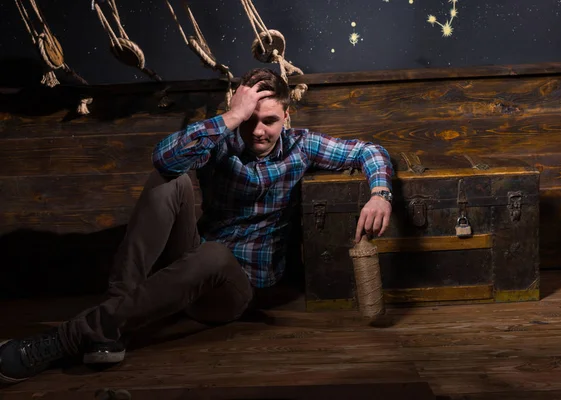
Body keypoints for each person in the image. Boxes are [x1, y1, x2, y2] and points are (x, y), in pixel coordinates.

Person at [0, 68, 394, 384]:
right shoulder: (223, 137)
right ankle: (112, 319)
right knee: (169, 180)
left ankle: (65, 338)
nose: (258, 130)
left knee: (216, 254)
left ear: (287, 117)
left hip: (236, 290)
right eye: (250, 119)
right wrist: (231, 117)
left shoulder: (302, 145)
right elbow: (164, 159)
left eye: (270, 121)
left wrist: (380, 193)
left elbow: (367, 150)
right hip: (192, 259)